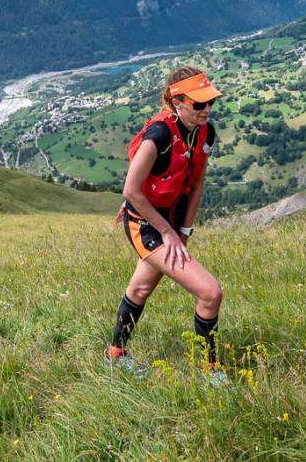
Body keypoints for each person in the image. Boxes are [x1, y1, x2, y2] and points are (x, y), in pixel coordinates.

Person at [107, 67, 226, 381]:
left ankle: (114, 355)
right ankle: (212, 372)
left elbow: (196, 184)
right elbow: (131, 190)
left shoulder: (205, 132)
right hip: (146, 223)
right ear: (177, 102)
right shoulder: (158, 135)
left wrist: (184, 231)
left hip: (172, 221)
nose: (207, 109)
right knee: (210, 293)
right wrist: (167, 233)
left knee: (141, 287)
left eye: (210, 102)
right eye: (198, 104)